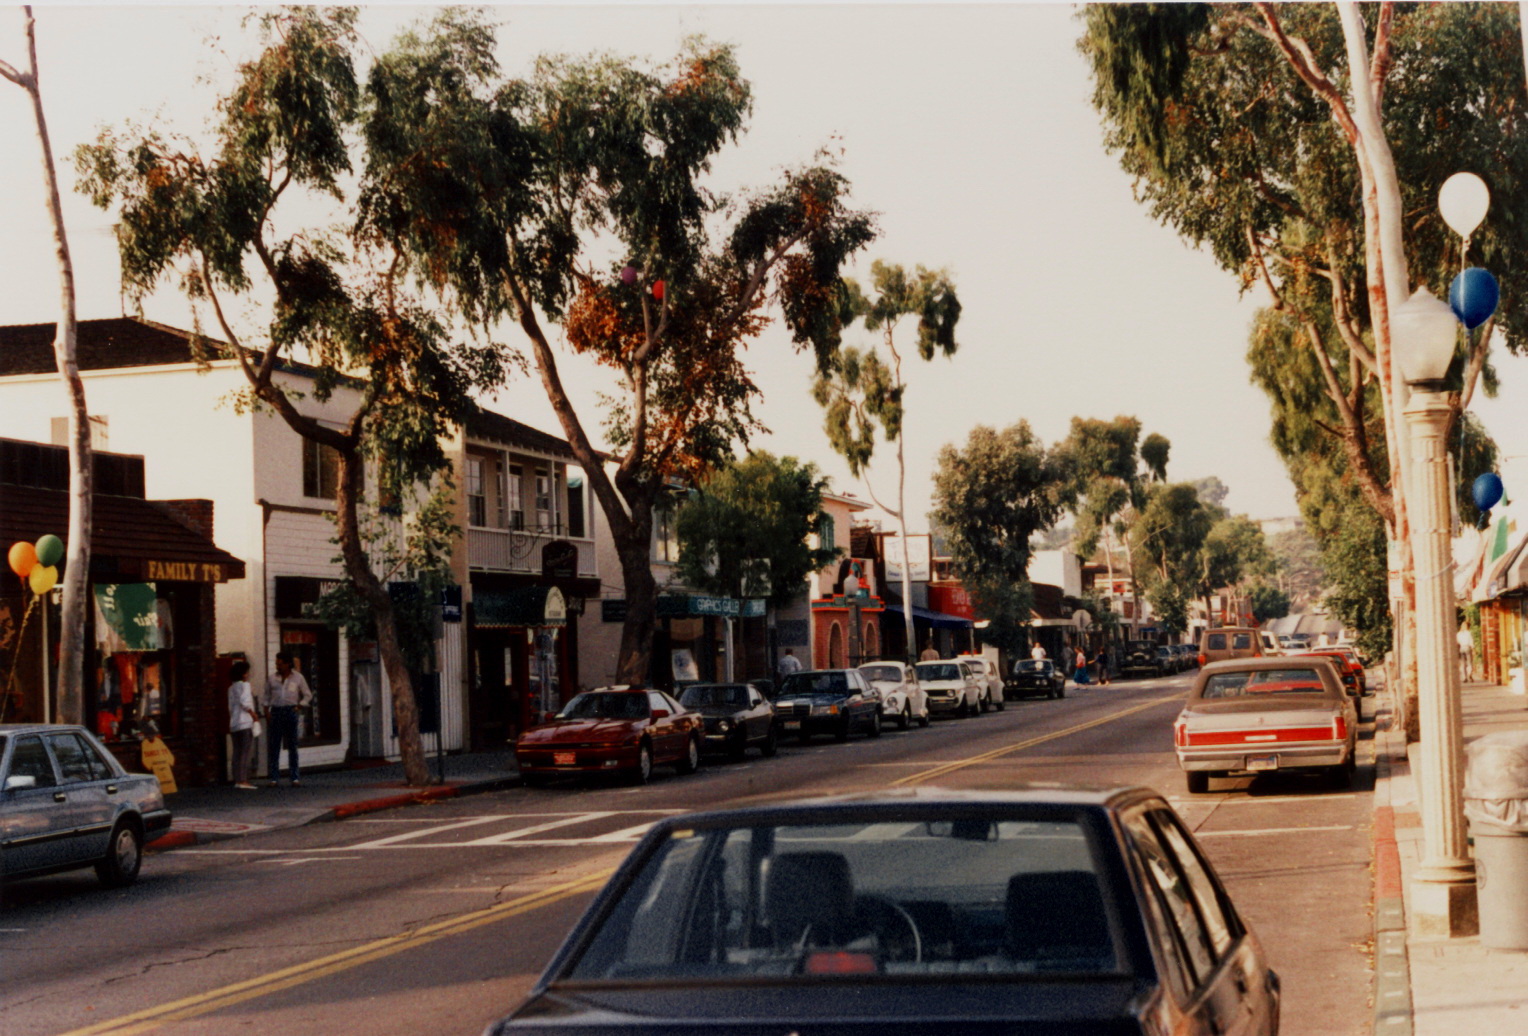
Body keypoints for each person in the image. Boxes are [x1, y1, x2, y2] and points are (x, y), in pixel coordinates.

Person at [263, 652, 313, 786]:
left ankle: (294, 777)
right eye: (276, 664)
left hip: (290, 710)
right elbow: (266, 696)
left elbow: (307, 695)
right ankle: (274, 777)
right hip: (276, 711)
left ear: (288, 664)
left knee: (292, 745)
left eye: (280, 664)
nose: (277, 666)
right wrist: (266, 711)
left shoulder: (298, 677)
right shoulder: (272, 678)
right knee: (274, 745)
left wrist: (299, 706)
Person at [228, 660, 258, 789]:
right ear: (244, 674)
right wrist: (253, 714)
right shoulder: (245, 686)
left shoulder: (231, 687)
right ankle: (243, 780)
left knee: (237, 752)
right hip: (245, 721)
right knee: (245, 752)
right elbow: (245, 702)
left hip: (234, 722)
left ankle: (237, 779)